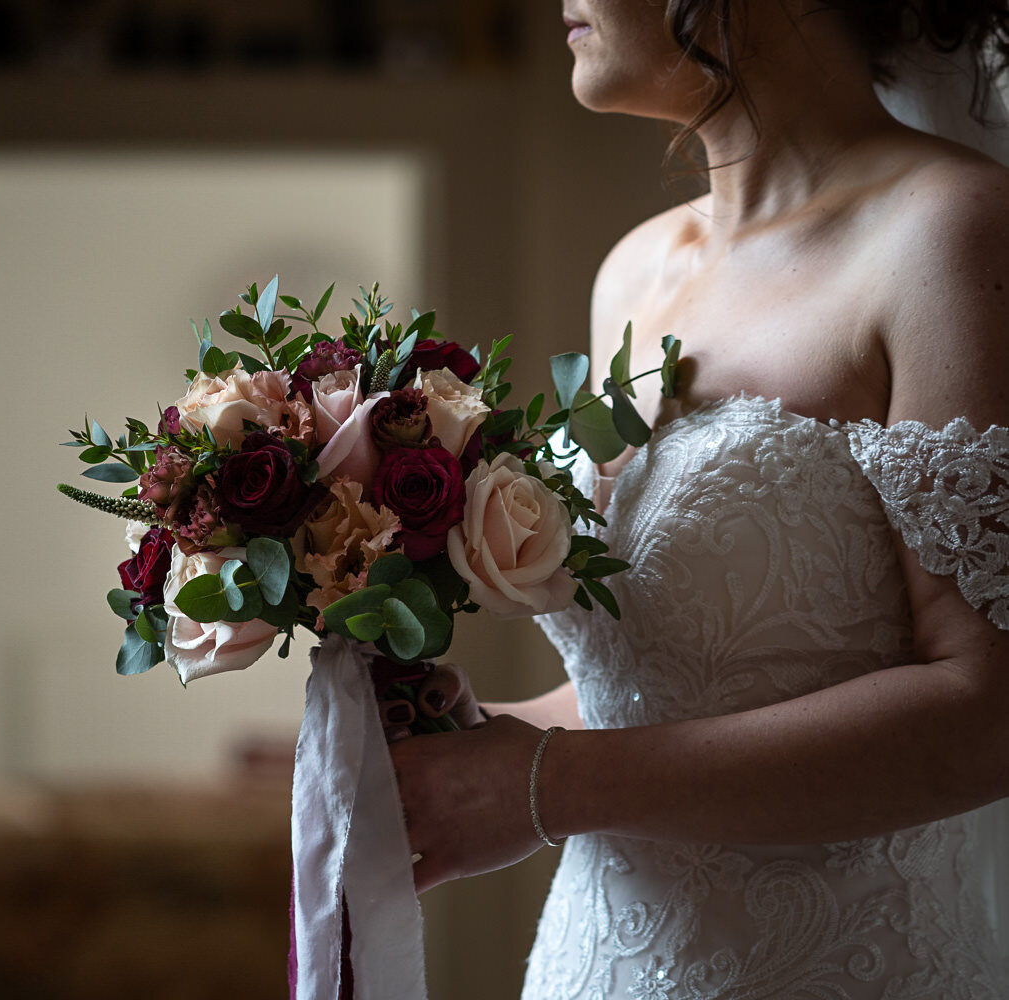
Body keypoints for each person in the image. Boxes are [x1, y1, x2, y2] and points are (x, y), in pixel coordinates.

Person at [383, 1, 1009, 996]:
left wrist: (550, 788)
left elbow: (987, 714)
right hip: (599, 961)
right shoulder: (635, 271)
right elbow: (678, 685)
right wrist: (487, 748)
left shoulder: (952, 233)